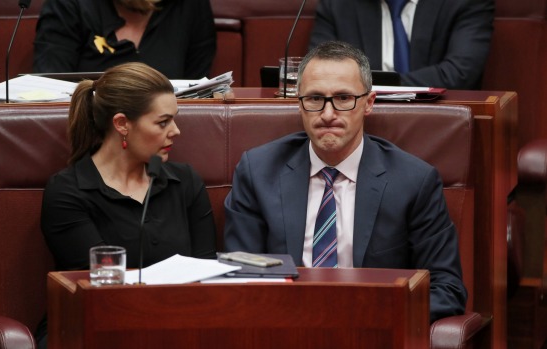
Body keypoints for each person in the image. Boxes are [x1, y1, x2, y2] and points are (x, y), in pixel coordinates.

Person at [224, 41, 466, 323]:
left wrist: (364, 316)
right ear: (299, 103)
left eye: (343, 98)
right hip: (284, 327)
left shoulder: (413, 181)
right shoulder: (258, 172)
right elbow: (240, 278)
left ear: (368, 103)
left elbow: (446, 289)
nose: (328, 114)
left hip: (371, 329)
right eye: (315, 99)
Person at [36, 62, 216, 347]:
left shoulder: (185, 182)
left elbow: (207, 274)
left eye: (175, 119)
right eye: (162, 122)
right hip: (91, 330)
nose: (176, 131)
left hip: (179, 327)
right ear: (121, 124)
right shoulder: (68, 192)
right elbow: (98, 290)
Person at [309, 0, 494, 90]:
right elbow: (321, 71)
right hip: (359, 126)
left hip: (438, 123)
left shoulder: (463, 2)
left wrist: (377, 87)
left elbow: (459, 73)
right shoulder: (338, 4)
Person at [32, 0, 216, 79]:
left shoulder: (191, 5)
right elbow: (49, 93)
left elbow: (197, 93)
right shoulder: (69, 5)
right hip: (86, 140)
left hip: (167, 139)